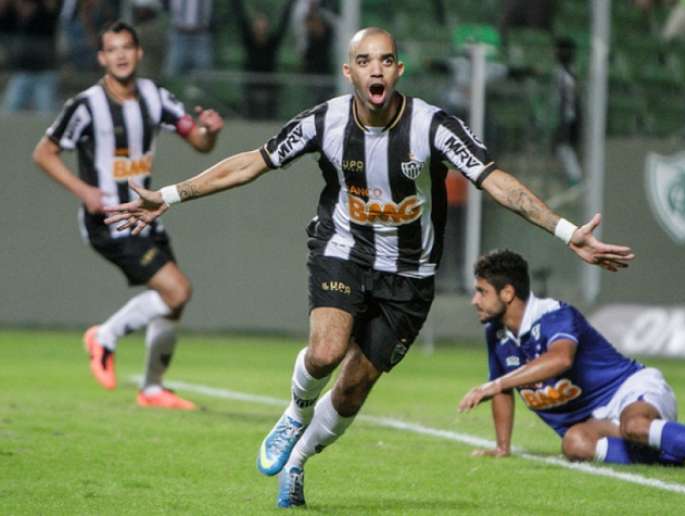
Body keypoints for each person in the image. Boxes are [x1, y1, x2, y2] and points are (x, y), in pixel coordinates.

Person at [103, 27, 635, 508]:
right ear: (349, 71)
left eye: (385, 60)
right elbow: (253, 161)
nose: (375, 69)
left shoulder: (433, 127)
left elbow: (497, 182)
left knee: (353, 388)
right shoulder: (326, 120)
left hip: (410, 276)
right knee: (327, 350)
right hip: (344, 250)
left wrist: (567, 233)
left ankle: (298, 460)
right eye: (364, 60)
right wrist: (171, 194)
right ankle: (293, 414)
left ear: (398, 70)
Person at [32, 21, 224, 409]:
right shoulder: (86, 105)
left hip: (145, 214)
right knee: (177, 290)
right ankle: (104, 337)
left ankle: (152, 388)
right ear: (102, 58)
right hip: (108, 220)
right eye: (111, 49)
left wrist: (211, 133)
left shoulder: (155, 97)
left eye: (126, 47)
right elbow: (43, 152)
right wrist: (83, 189)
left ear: (138, 53)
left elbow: (198, 142)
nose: (120, 54)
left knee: (175, 300)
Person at [458, 249, 685, 475]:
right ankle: (678, 456)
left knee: (635, 426)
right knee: (575, 446)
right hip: (590, 422)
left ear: (508, 293)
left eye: (481, 292)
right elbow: (503, 391)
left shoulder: (555, 315)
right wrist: (502, 447)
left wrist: (495, 384)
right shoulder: (496, 335)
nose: (475, 300)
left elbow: (561, 359)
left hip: (629, 389)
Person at [229, 0, 295, 119]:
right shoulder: (249, 40)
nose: (260, 26)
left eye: (263, 23)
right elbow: (240, 17)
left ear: (267, 26)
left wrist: (290, 4)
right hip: (251, 84)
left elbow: (283, 24)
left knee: (268, 113)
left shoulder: (272, 43)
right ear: (254, 26)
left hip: (269, 86)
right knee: (251, 114)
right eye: (258, 23)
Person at [0, 0, 60, 113]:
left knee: (47, 114)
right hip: (22, 72)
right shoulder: (11, 14)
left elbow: (52, 6)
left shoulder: (46, 11)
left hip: (45, 73)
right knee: (8, 112)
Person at [550, 37, 583, 186]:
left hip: (567, 115)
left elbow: (567, 97)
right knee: (562, 146)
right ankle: (572, 176)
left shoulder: (566, 74)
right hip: (567, 114)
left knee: (563, 146)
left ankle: (575, 178)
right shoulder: (567, 72)